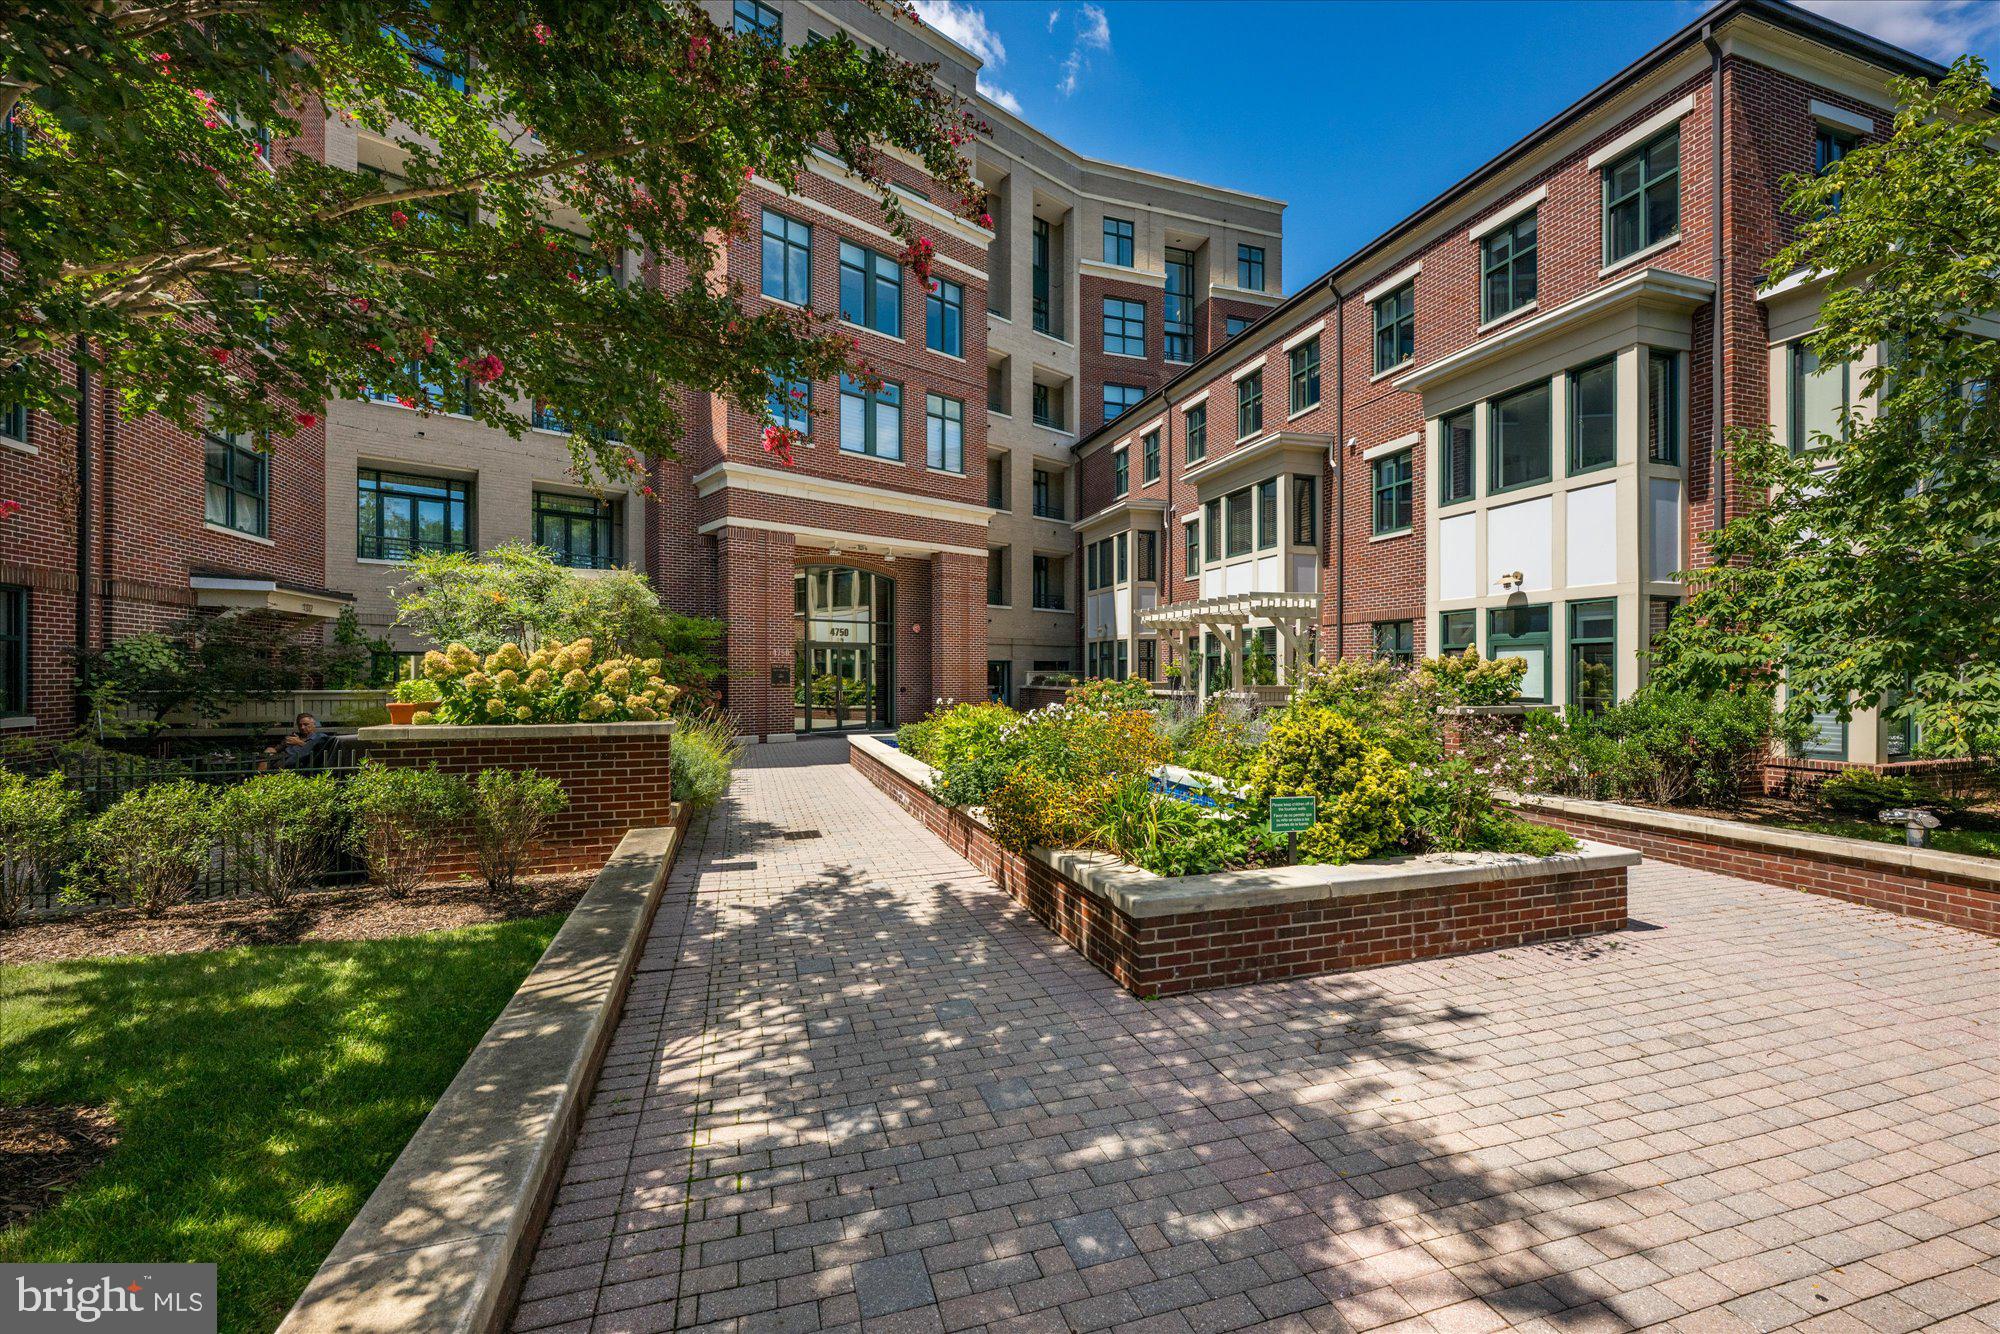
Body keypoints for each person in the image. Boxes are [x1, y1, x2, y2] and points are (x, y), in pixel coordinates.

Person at [261, 712, 334, 770]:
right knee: (267, 755)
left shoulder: (320, 737)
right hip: (282, 758)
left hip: (298, 763)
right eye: (300, 725)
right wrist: (272, 749)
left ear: (314, 725)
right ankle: (259, 781)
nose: (302, 727)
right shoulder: (293, 736)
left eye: (306, 724)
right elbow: (277, 749)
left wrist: (299, 742)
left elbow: (318, 753)